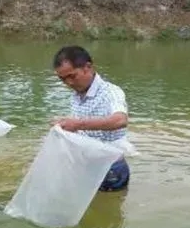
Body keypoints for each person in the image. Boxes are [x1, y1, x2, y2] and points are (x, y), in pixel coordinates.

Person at [51, 45, 131, 192]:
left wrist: (77, 124)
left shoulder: (110, 92)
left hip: (110, 168)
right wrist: (65, 125)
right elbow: (83, 128)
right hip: (88, 163)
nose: (68, 83)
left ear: (88, 67)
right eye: (63, 79)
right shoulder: (77, 94)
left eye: (72, 76)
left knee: (108, 211)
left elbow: (120, 120)